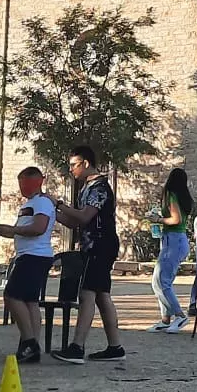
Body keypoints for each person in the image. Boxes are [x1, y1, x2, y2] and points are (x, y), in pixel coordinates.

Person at [49, 148, 123, 364]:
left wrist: (59, 204)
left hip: (99, 245)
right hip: (92, 244)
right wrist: (52, 212)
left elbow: (84, 216)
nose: (71, 169)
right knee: (101, 295)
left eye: (74, 164)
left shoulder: (99, 188)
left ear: (86, 163)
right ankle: (115, 346)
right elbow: (75, 222)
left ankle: (77, 346)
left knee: (87, 293)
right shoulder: (86, 188)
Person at [0, 165, 58, 363]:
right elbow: (21, 228)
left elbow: (39, 228)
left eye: (25, 182)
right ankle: (31, 345)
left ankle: (29, 342)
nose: (22, 187)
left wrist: (14, 230)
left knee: (12, 296)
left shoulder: (41, 202)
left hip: (35, 256)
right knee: (30, 301)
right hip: (28, 254)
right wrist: (2, 230)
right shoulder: (30, 204)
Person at [149, 167, 194, 332]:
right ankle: (165, 319)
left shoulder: (170, 194)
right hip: (178, 240)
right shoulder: (183, 197)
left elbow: (175, 219)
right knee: (160, 281)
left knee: (161, 282)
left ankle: (180, 316)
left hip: (173, 241)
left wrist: (158, 219)